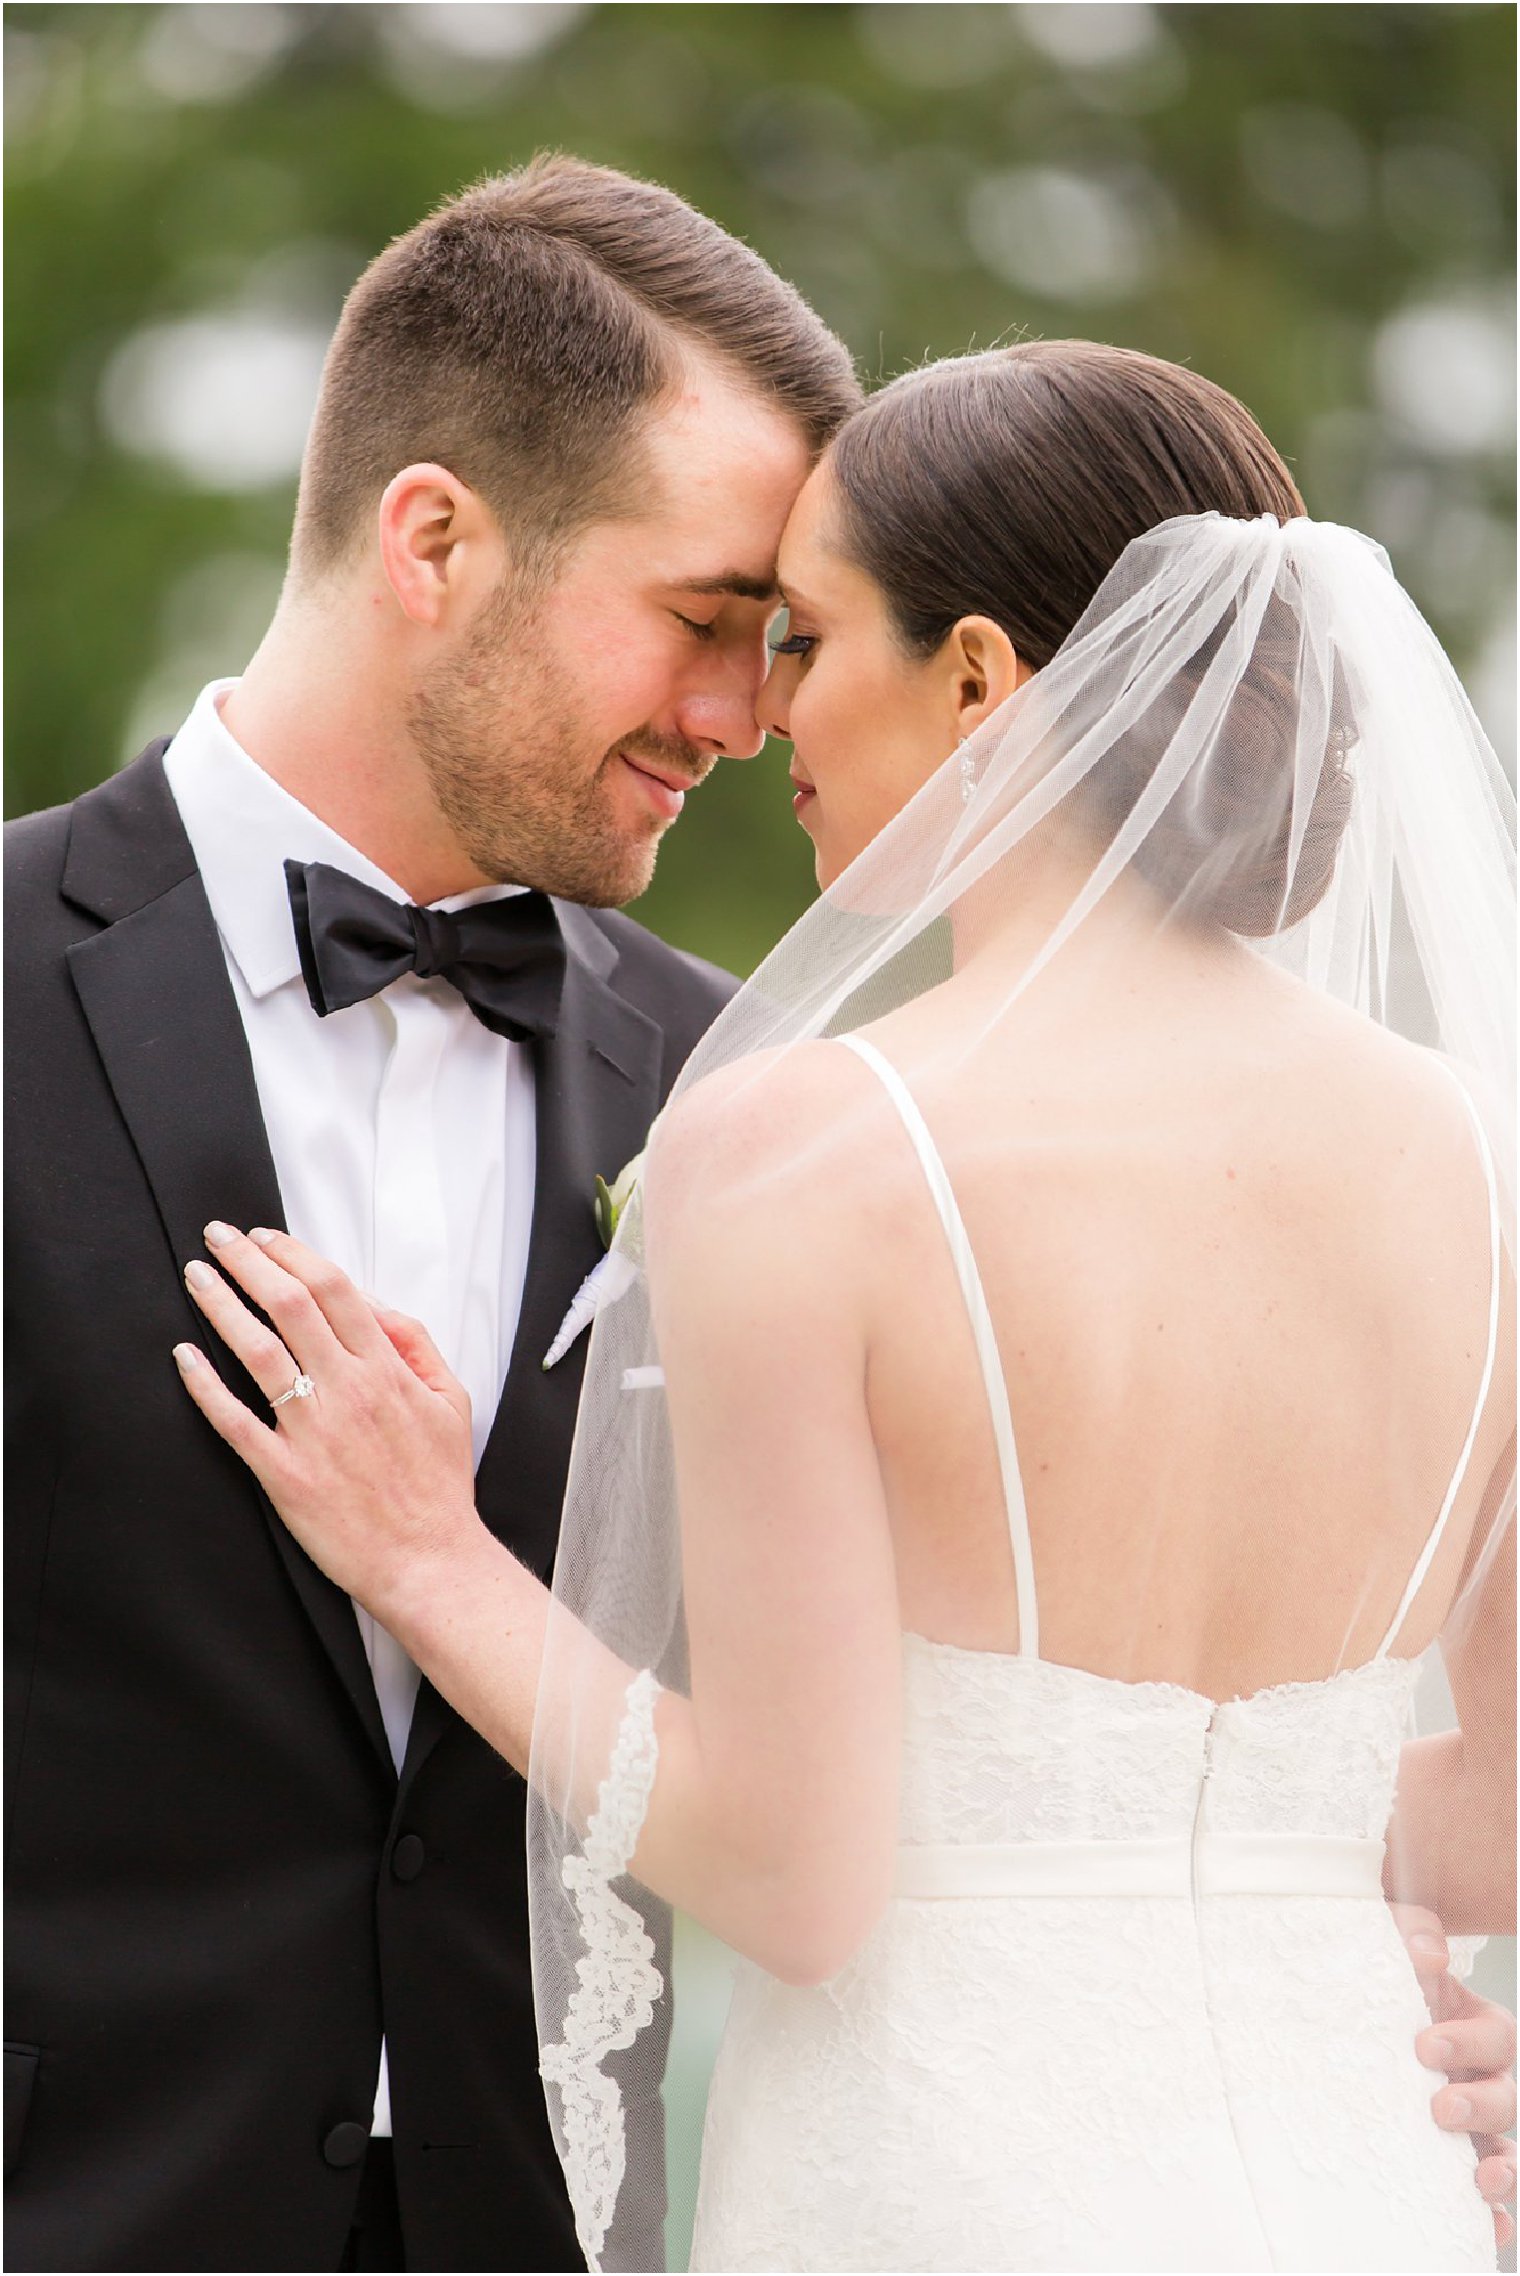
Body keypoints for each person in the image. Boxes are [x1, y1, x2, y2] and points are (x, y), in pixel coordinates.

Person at [173, 339, 1516, 2272]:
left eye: (806, 638)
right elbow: (1505, 1818)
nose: (757, 709)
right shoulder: (1482, 1167)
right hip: (1362, 2184)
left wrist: (427, 1558)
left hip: (946, 2193)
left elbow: (799, 1884)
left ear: (975, 677)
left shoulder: (816, 1151)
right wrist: (1224, 1865)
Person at [3, 154, 862, 2272]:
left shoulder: (746, 1088)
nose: (744, 722)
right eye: (699, 619)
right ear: (435, 538)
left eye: (776, 647)